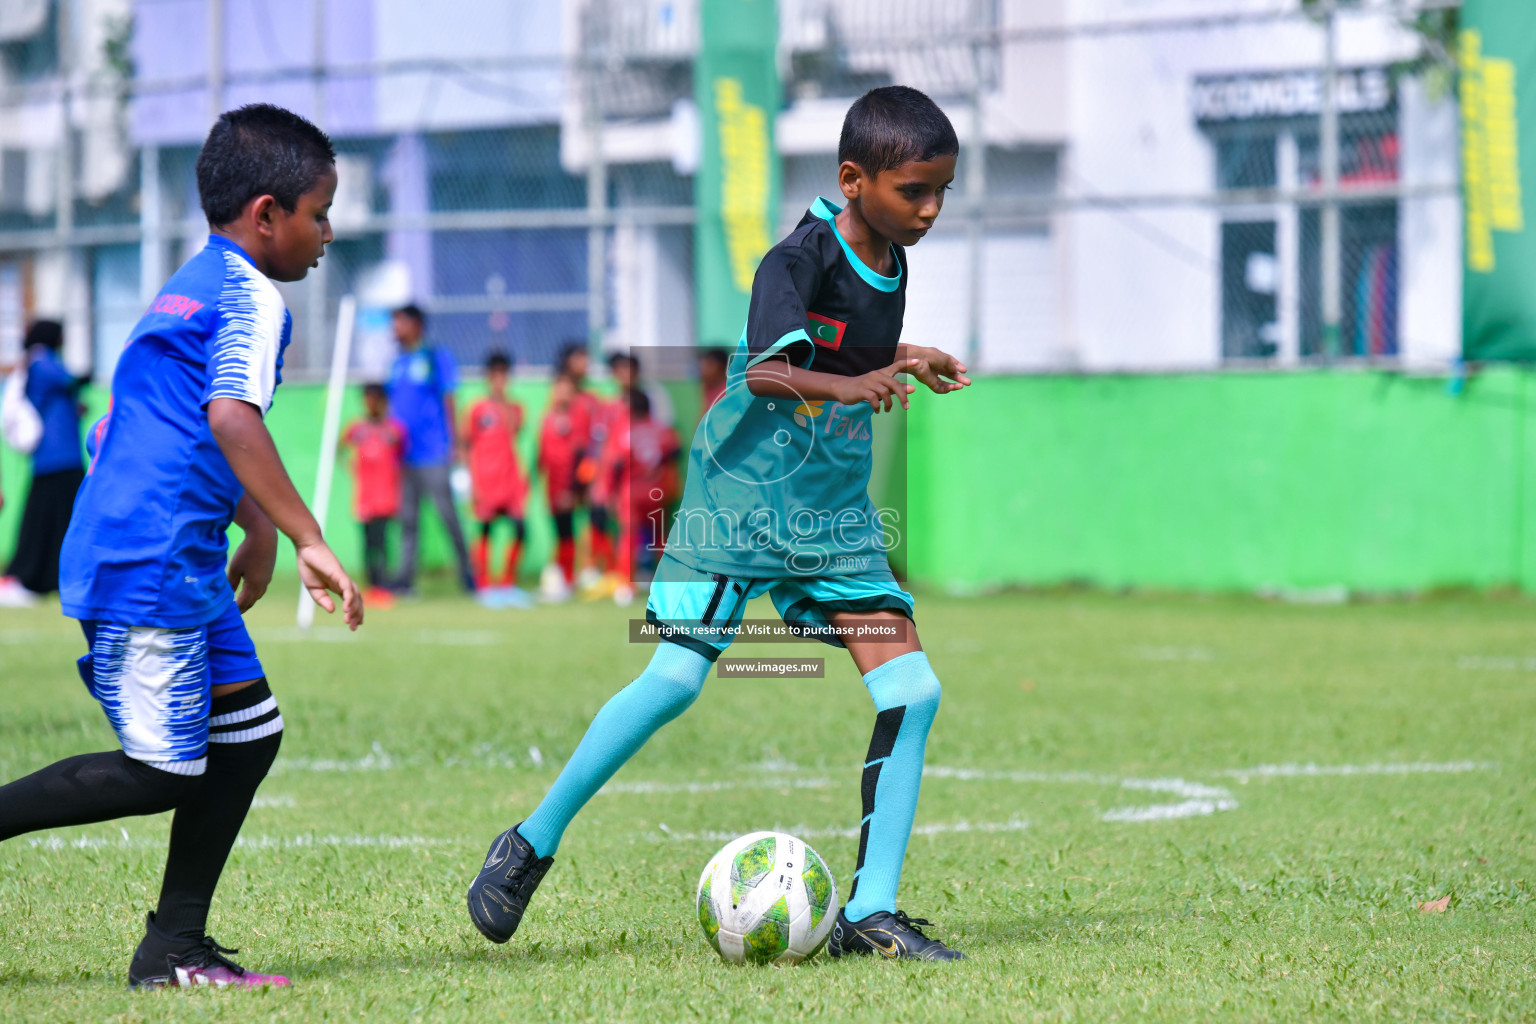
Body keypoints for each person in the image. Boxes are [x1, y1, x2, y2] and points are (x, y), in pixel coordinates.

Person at [466, 86, 972, 961]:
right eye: (913, 192)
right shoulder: (795, 259)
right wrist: (853, 386)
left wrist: (901, 357)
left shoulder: (890, 254)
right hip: (743, 504)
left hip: (833, 517)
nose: (929, 210)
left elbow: (842, 351)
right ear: (854, 180)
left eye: (940, 193)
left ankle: (874, 912)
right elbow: (774, 374)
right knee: (673, 681)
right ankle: (528, 844)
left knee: (913, 692)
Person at [0, 103, 362, 989]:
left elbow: (172, 431)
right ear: (267, 213)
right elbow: (231, 416)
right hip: (148, 559)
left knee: (248, 735)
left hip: (174, 553)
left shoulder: (192, 284)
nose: (327, 233)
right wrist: (309, 535)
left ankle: (173, 949)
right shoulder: (248, 299)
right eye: (319, 213)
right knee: (162, 770)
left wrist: (261, 532)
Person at [386, 303, 475, 595]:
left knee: (448, 516)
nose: (395, 329)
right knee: (408, 520)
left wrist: (457, 444)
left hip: (434, 453)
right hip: (404, 456)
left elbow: (449, 399)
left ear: (416, 325)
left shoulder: (436, 358)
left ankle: (469, 576)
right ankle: (405, 580)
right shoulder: (397, 363)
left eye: (400, 322)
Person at [0, 320, 87, 601]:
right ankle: (28, 577)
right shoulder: (42, 359)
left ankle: (47, 577)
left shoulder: (37, 361)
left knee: (53, 520)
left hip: (55, 458)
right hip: (57, 456)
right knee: (55, 519)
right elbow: (69, 379)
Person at [463, 351, 528, 589]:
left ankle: (508, 580)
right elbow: (465, 443)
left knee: (521, 529)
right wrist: (469, 480)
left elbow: (514, 432)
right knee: (485, 529)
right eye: (495, 375)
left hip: (509, 480)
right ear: (488, 377)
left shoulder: (515, 408)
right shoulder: (476, 410)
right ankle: (483, 582)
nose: (499, 380)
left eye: (504, 375)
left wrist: (503, 404)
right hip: (485, 480)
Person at [342, 383, 406, 606]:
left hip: (386, 497)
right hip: (365, 498)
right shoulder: (357, 429)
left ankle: (383, 585)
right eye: (367, 399)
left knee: (382, 541)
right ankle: (372, 585)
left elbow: (403, 458)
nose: (370, 403)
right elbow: (340, 448)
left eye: (374, 399)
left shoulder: (394, 430)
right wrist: (351, 467)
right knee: (368, 542)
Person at [535, 366, 590, 598]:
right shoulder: (548, 417)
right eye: (559, 388)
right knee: (560, 531)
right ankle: (564, 579)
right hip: (552, 485)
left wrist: (573, 488)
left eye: (567, 389)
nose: (562, 393)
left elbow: (580, 454)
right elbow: (543, 453)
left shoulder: (577, 417)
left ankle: (569, 579)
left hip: (568, 484)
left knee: (568, 530)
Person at [698, 346, 729, 413]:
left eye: (709, 365)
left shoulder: (729, 390)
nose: (704, 371)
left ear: (721, 368)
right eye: (703, 366)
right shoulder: (707, 387)